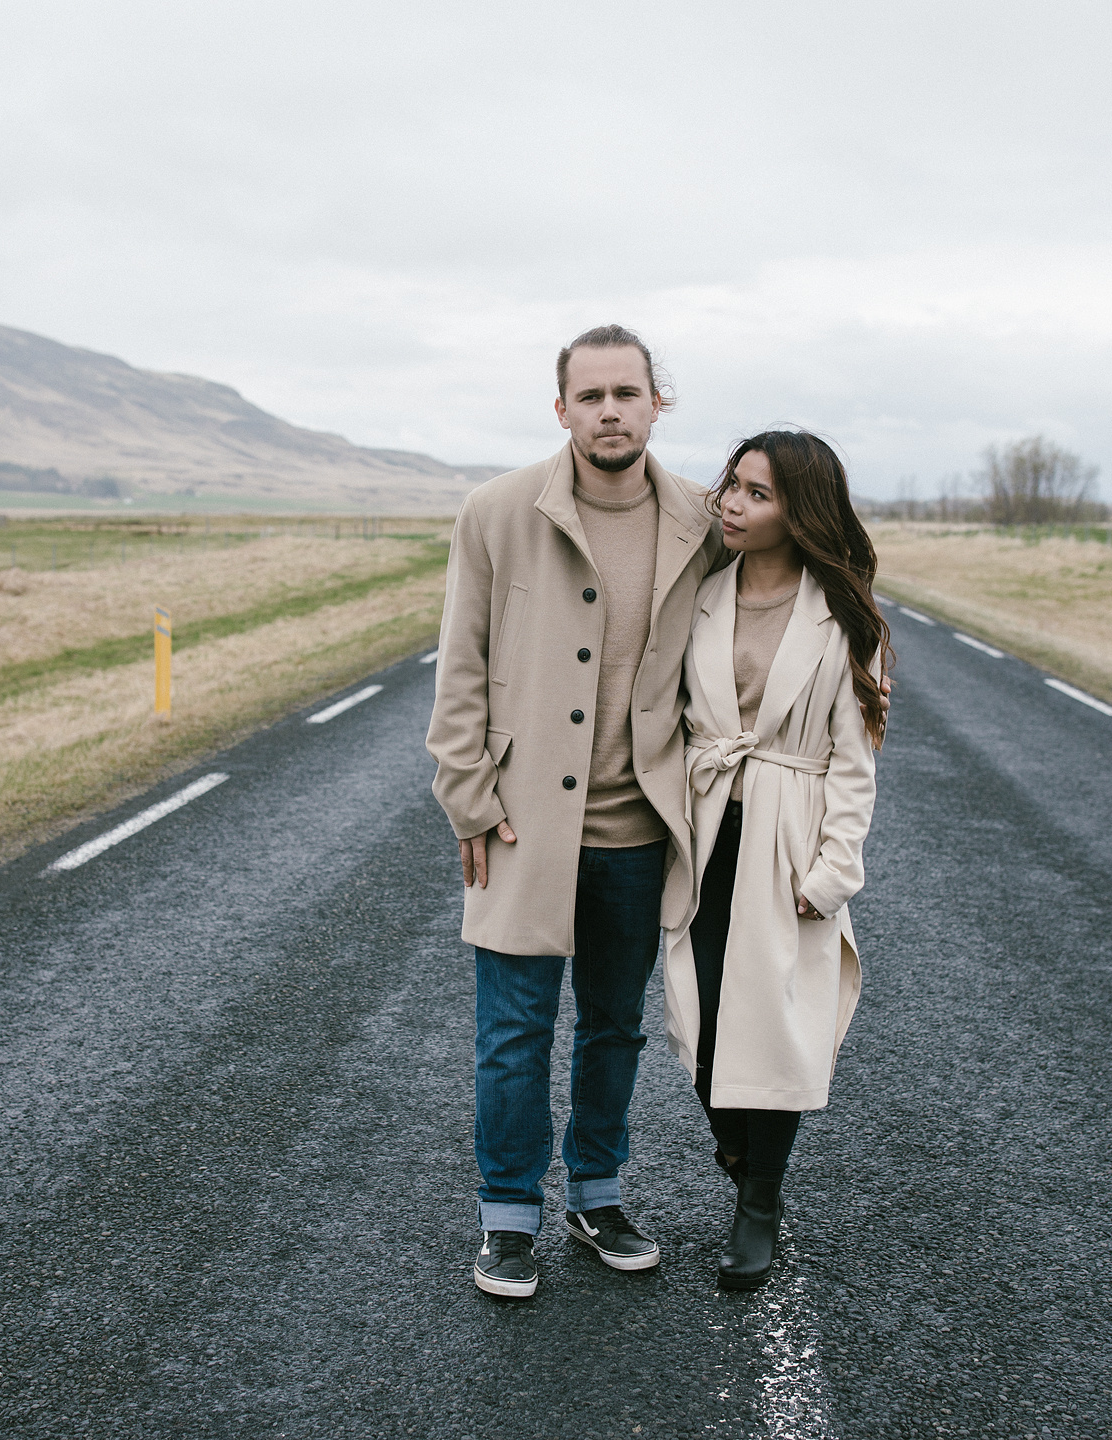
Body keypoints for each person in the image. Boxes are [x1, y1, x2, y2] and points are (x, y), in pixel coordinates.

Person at [427, 324, 727, 1298]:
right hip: (518, 823)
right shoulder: (497, 513)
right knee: (512, 1034)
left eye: (625, 394)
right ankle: (507, 1218)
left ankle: (597, 1195)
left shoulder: (702, 521)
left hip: (639, 831)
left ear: (656, 404)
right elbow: (461, 665)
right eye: (588, 396)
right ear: (561, 409)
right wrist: (470, 798)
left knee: (613, 1029)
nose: (608, 411)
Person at [661, 429, 890, 1292]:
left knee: (779, 1027)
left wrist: (834, 872)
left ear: (801, 511)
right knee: (704, 1020)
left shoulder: (844, 615)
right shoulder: (701, 596)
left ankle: (759, 1203)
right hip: (704, 827)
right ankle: (736, 1149)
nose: (733, 504)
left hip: (790, 841)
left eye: (758, 494)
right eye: (732, 486)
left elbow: (853, 764)